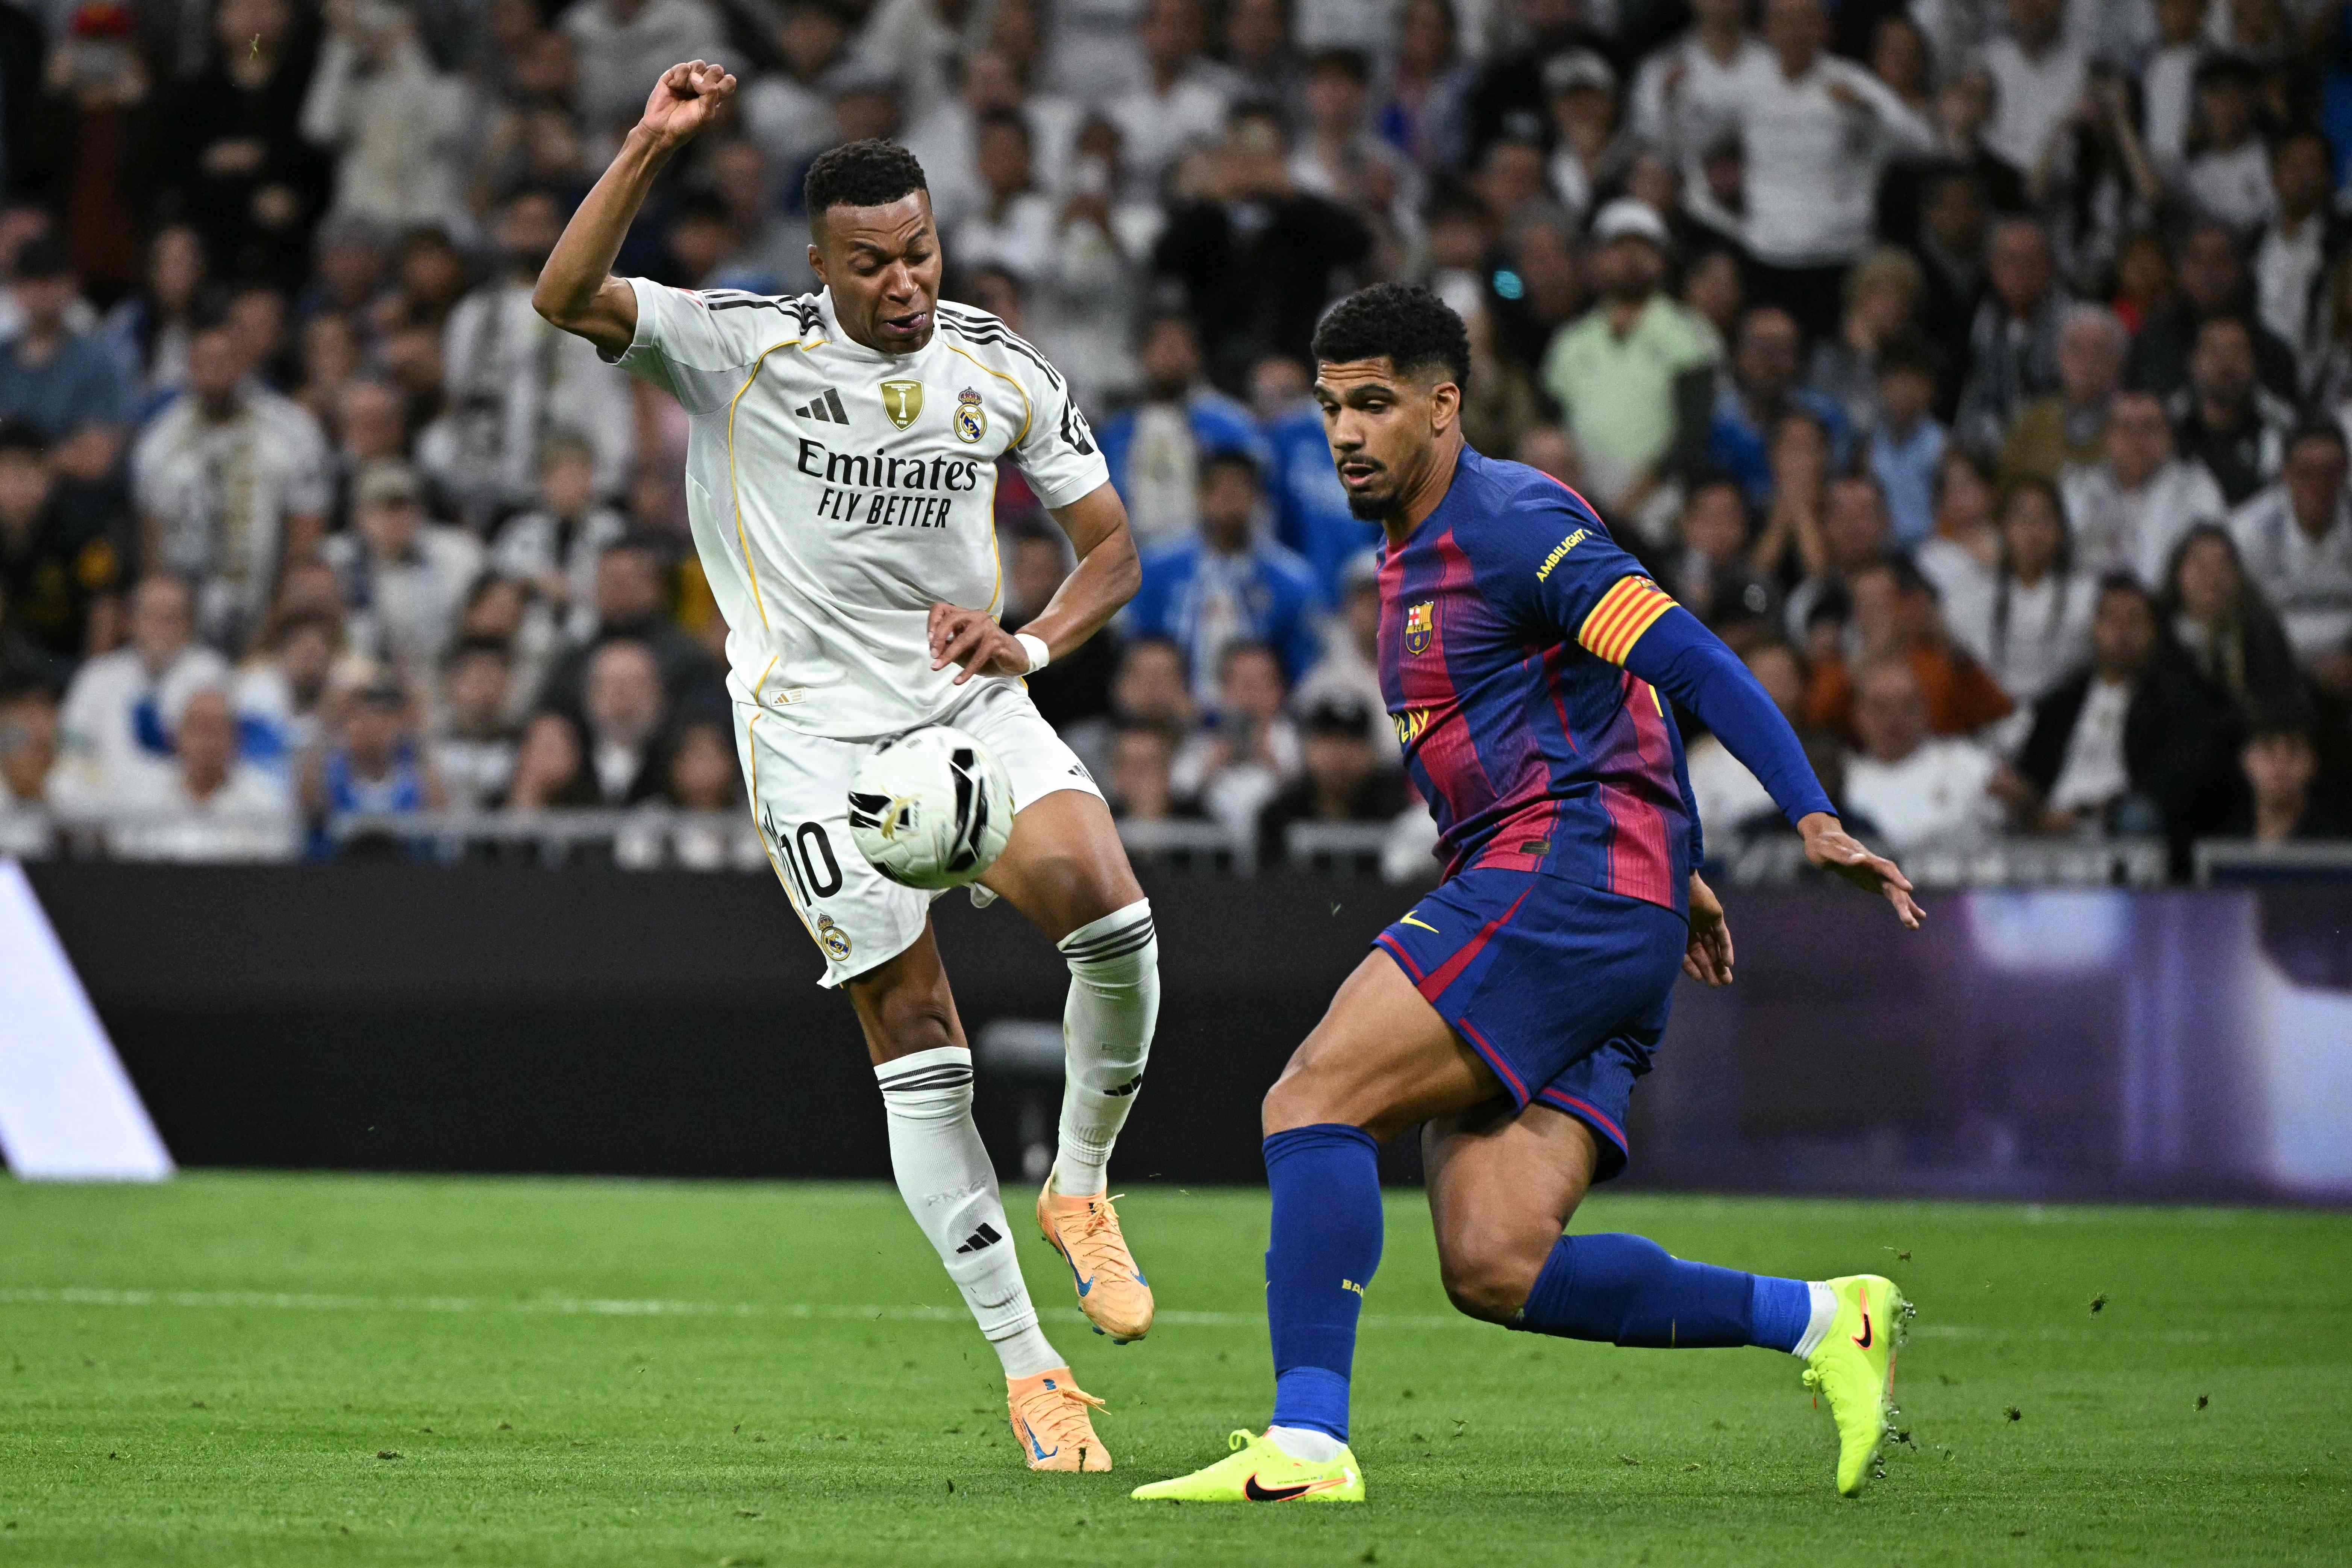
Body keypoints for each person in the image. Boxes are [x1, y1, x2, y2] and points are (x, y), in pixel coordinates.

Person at [1134, 283, 1923, 1507]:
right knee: (1495, 1262)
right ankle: (1824, 1321)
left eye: (1376, 405)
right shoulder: (1403, 557)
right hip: (1604, 891)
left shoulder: (1510, 522)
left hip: (1559, 877)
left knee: (1311, 1098)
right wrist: (1674, 859)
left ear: (1444, 406)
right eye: (1332, 407)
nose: (1346, 432)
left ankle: (1305, 1444)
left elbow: (1685, 656)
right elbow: (1591, 706)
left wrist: (1808, 809)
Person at [532, 70, 1155, 1473]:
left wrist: (1033, 645)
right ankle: (1031, 1371)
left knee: (1114, 916)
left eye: (919, 250)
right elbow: (564, 295)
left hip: (969, 703)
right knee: (913, 1029)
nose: (903, 282)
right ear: (817, 266)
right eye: (870, 262)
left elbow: (1111, 547)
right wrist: (648, 147)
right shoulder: (736, 345)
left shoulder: (997, 366)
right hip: (810, 745)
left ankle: (1080, 1185)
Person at [2010, 575, 2245, 862]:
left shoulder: (2176, 698)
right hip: (2052, 819)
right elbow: (2032, 770)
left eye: (2134, 620)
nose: (2122, 631)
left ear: (2154, 631)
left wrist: (2090, 813)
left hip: (2115, 824)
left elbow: (2174, 781)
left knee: (2138, 818)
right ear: (2095, 628)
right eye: (2111, 619)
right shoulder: (2064, 701)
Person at [1539, 199, 1716, 521]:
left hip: (1661, 498)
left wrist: (1628, 504)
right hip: (1579, 497)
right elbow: (1552, 426)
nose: (1631, 259)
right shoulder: (1570, 342)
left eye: (1643, 248)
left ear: (1662, 260)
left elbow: (1693, 435)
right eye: (1618, 248)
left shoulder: (1690, 334)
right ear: (1596, 259)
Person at [1124, 448, 1323, 700]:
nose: (1230, 501)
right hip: (1174, 713)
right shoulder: (1157, 569)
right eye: (1220, 490)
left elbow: (1302, 665)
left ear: (1258, 499)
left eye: (1240, 490)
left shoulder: (1293, 581)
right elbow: (1138, 651)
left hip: (1260, 714)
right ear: (1201, 496)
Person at [2227, 423, 2352, 694]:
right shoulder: (2248, 532)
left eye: (2329, 472)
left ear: (2345, 473)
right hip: (2274, 676)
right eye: (2305, 473)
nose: (2318, 484)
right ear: (2285, 473)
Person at [2063, 390, 2228, 589]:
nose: (2137, 439)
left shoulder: (2196, 487)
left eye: (2149, 428)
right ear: (2107, 438)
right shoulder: (2078, 487)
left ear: (2169, 438)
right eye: (2126, 428)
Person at [1840, 655, 2002, 851]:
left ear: (1925, 711)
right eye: (1880, 707)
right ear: (1858, 714)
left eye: (1907, 707)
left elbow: (2030, 820)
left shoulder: (1967, 763)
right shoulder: (1840, 779)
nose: (1894, 719)